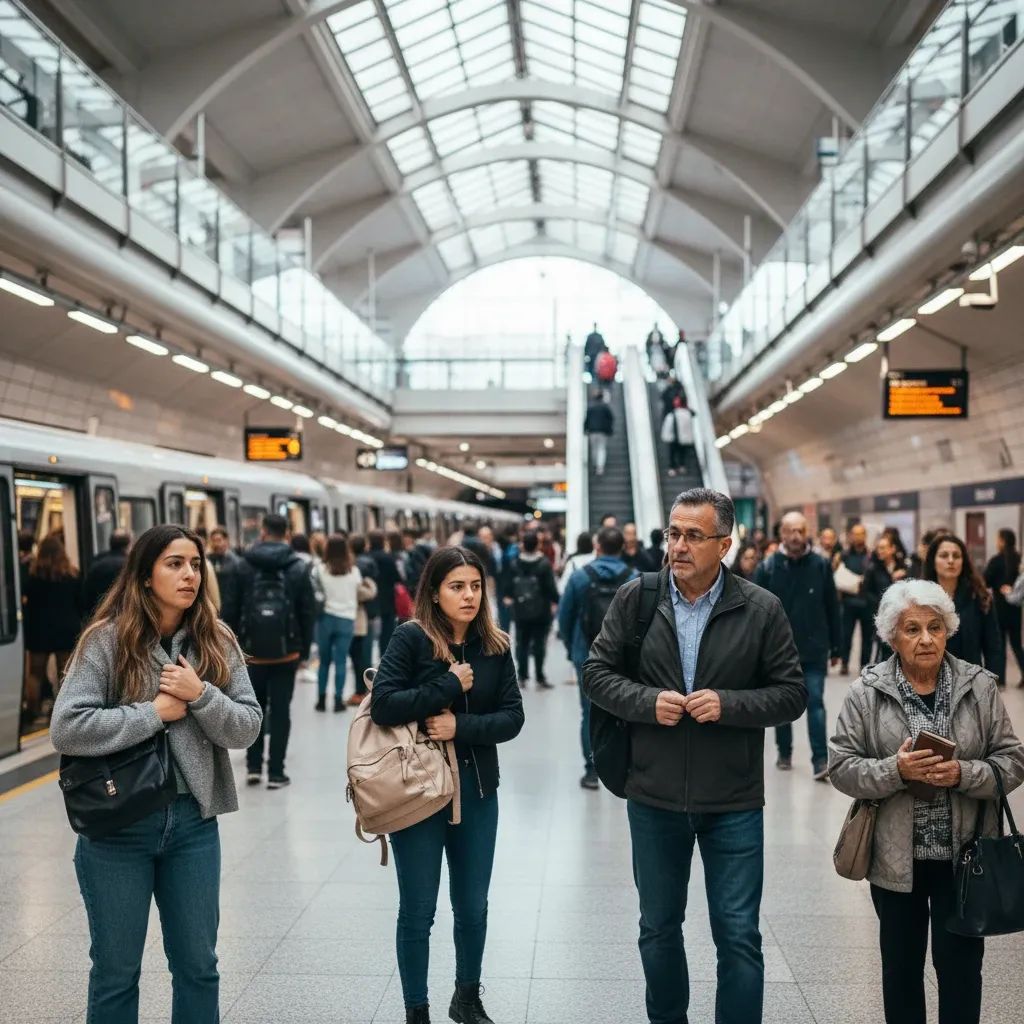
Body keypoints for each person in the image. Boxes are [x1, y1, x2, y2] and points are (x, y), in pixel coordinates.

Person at [583, 488, 805, 1024]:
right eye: (672, 533)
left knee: (738, 936)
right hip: (654, 796)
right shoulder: (638, 598)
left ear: (724, 544)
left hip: (733, 800)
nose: (678, 546)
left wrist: (728, 705)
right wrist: (645, 702)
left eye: (693, 536)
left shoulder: (760, 609)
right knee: (658, 928)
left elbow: (792, 693)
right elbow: (596, 673)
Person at [50, 524, 262, 1024]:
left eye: (195, 564)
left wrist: (200, 695)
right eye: (174, 563)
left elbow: (248, 727)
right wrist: (153, 713)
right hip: (117, 826)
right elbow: (67, 727)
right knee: (116, 972)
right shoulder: (107, 640)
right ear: (145, 576)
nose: (188, 574)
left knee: (198, 967)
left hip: (192, 826)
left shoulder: (216, 638)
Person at [829, 579, 1024, 1024]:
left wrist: (963, 773)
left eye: (935, 627)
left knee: (960, 971)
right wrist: (895, 771)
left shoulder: (979, 687)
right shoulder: (867, 691)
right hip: (896, 859)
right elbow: (840, 766)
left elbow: (1012, 760)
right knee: (900, 971)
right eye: (912, 629)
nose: (925, 639)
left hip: (964, 857)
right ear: (891, 636)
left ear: (948, 631)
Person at [370, 546, 524, 1024]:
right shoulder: (411, 639)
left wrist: (462, 728)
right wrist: (448, 687)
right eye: (457, 586)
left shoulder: (496, 645)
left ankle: (466, 997)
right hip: (416, 792)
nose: (469, 596)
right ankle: (417, 1008)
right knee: (418, 909)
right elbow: (384, 705)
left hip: (477, 789)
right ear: (434, 593)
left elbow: (513, 717)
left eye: (476, 586)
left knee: (472, 905)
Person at [755, 511, 841, 779]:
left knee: (815, 702)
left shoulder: (820, 565)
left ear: (807, 533)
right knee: (782, 704)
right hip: (779, 651)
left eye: (800, 531)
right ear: (781, 534)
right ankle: (784, 751)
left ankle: (820, 760)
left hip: (814, 648)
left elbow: (832, 606)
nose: (795, 536)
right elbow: (755, 612)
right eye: (790, 531)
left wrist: (837, 647)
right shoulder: (768, 567)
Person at [238, 514, 316, 789]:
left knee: (254, 709)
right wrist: (303, 651)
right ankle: (276, 772)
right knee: (281, 712)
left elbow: (231, 611)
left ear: (262, 532)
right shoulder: (297, 567)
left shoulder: (244, 565)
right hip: (286, 654)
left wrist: (235, 650)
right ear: (287, 533)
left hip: (251, 654)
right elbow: (308, 612)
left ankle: (253, 767)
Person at [558, 526, 633, 790]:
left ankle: (592, 771)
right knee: (624, 710)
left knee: (588, 713)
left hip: (586, 654)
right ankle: (624, 765)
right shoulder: (633, 578)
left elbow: (564, 618)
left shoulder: (580, 578)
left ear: (597, 547)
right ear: (622, 547)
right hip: (623, 658)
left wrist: (571, 648)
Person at [22, 534, 83, 729]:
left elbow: (26, 602)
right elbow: (80, 603)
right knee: (63, 673)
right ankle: (59, 712)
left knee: (35, 674)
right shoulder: (72, 575)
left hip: (39, 630)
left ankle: (32, 710)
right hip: (66, 629)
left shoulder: (32, 576)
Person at [924, 534, 1003, 682]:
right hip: (928, 682)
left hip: (969, 682)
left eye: (956, 556)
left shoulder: (980, 597)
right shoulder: (920, 599)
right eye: (943, 555)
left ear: (963, 561)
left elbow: (993, 647)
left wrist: (992, 684)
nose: (951, 560)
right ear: (933, 562)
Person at [312, 534, 363, 713]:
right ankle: (338, 700)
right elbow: (358, 590)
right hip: (346, 619)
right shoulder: (354, 571)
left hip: (325, 619)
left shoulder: (320, 569)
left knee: (324, 661)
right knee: (341, 661)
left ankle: (320, 700)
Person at [507, 531, 559, 689]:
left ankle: (522, 676)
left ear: (522, 544)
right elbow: (550, 587)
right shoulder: (544, 564)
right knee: (539, 644)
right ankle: (539, 677)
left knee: (521, 643)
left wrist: (510, 598)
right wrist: (556, 601)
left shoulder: (515, 563)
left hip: (520, 610)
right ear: (538, 544)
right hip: (541, 610)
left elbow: (509, 586)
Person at [984, 528, 1024, 685]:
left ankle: (1000, 680)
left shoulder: (996, 560)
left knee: (999, 644)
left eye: (998, 539)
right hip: (1015, 608)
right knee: (1016, 644)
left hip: (999, 608)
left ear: (1002, 541)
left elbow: (985, 580)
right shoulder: (1019, 559)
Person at [837, 524, 875, 675]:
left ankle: (864, 665)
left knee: (867, 636)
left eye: (861, 534)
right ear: (851, 536)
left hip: (867, 601)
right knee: (846, 634)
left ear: (865, 536)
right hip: (848, 601)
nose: (858, 537)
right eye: (855, 534)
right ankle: (844, 662)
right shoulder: (844, 555)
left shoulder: (871, 555)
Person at [865, 532, 910, 661]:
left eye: (884, 547)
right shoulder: (872, 569)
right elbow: (867, 593)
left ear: (892, 549)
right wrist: (881, 604)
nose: (881, 551)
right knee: (884, 649)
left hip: (902, 614)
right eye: (879, 548)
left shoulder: (904, 567)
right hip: (883, 615)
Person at [81, 529, 131, 617]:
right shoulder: (129, 565)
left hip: (98, 613)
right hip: (121, 614)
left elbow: (86, 595)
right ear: (128, 545)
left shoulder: (96, 563)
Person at [368, 529, 401, 658]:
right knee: (386, 633)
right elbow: (397, 578)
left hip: (371, 601)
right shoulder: (389, 558)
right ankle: (384, 657)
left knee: (370, 633)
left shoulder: (366, 557)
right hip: (387, 599)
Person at [206, 527, 243, 632]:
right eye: (213, 541)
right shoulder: (207, 561)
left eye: (219, 540)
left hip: (231, 612)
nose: (216, 544)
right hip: (212, 611)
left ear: (226, 541)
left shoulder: (236, 562)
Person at [660, 395, 695, 478]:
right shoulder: (687, 413)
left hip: (674, 438)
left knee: (673, 453)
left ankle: (672, 467)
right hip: (684, 438)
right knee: (682, 452)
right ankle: (681, 466)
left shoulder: (673, 414)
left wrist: (665, 436)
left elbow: (668, 426)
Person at [584, 389, 614, 476]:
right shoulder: (605, 407)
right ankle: (600, 467)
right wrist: (610, 430)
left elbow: (587, 420)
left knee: (594, 448)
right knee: (601, 448)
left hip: (592, 431)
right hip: (602, 432)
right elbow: (610, 419)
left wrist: (585, 429)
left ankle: (595, 463)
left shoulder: (591, 407)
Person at [557, 531, 595, 595]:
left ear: (578, 544)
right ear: (592, 544)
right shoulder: (596, 560)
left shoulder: (572, 562)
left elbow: (562, 588)